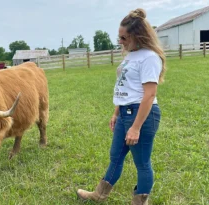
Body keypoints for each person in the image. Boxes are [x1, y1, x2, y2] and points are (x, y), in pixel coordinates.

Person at [76, 8, 166, 205]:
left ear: (137, 36)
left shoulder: (149, 57)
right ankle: (99, 194)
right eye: (119, 37)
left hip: (141, 114)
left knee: (142, 162)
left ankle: (140, 202)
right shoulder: (130, 55)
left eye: (124, 38)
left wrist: (135, 127)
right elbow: (124, 86)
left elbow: (149, 95)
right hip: (125, 112)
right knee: (115, 156)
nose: (121, 42)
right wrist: (116, 113)